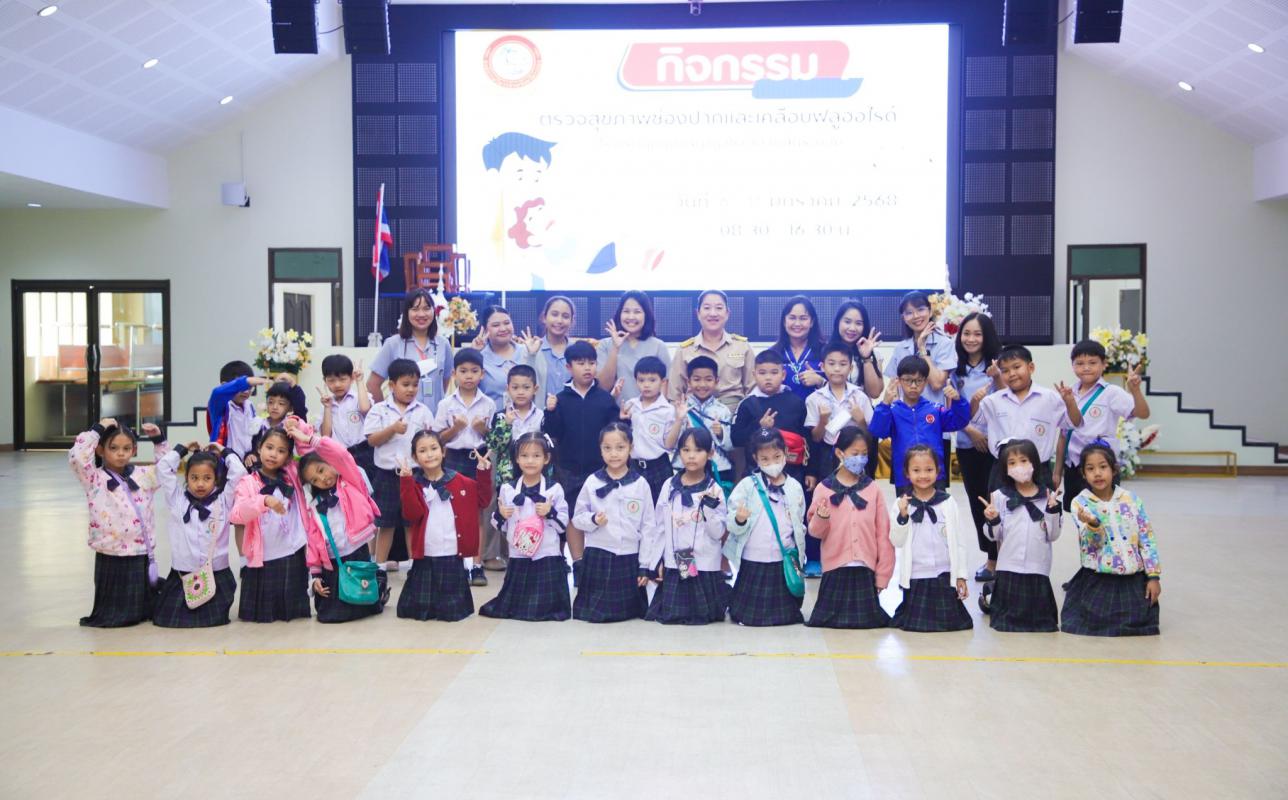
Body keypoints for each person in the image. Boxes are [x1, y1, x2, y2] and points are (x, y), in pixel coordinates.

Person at [68, 418, 167, 627]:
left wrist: (159, 441)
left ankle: (141, 611)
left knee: (141, 600)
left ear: (134, 450)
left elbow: (166, 470)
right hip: (110, 549)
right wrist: (98, 430)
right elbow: (77, 457)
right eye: (113, 448)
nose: (120, 453)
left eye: (126, 448)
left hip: (140, 549)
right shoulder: (93, 479)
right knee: (112, 601)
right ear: (100, 450)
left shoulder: (143, 475)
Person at [289, 422, 389, 623]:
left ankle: (377, 587)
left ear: (330, 462)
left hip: (357, 550)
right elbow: (314, 541)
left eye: (321, 470)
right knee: (330, 614)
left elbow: (341, 455)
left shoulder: (351, 480)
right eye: (315, 480)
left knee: (363, 601)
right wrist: (315, 575)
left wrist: (309, 439)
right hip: (333, 560)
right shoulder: (314, 506)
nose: (322, 479)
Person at [1060, 442, 1161, 636]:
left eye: (1103, 467)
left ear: (1113, 470)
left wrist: (1153, 577)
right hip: (1099, 578)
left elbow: (1147, 538)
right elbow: (1091, 543)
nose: (1097, 473)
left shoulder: (1131, 499)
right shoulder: (1080, 503)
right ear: (1083, 474)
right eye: (1090, 469)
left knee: (1140, 624)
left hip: (1132, 577)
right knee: (1091, 624)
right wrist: (1093, 524)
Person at [542, 340, 621, 581]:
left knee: (600, 514)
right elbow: (553, 433)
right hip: (568, 467)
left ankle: (597, 562)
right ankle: (577, 562)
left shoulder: (605, 399)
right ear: (568, 367)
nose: (587, 368)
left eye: (591, 363)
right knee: (573, 515)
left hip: (600, 468)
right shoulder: (560, 399)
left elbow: (614, 432)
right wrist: (550, 411)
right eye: (580, 363)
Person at [396, 431, 494, 622]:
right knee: (418, 610)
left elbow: (483, 500)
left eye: (434, 448)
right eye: (423, 451)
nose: (429, 454)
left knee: (452, 611)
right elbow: (411, 514)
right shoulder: (415, 483)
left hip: (451, 550)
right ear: (415, 457)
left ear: (443, 451)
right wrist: (406, 481)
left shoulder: (460, 481)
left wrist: (483, 472)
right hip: (426, 552)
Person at [805, 427, 892, 629]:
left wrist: (883, 575)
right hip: (835, 569)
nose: (860, 459)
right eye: (855, 453)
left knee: (867, 623)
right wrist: (821, 517)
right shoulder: (824, 488)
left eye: (864, 454)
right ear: (839, 453)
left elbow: (883, 534)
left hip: (865, 569)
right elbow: (815, 532)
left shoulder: (872, 489)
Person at [152, 440, 246, 628]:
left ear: (216, 479)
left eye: (207, 478)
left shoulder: (224, 500)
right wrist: (182, 449)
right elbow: (163, 468)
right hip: (183, 572)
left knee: (215, 621)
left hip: (216, 572)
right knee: (167, 620)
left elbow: (239, 472)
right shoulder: (176, 499)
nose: (200, 484)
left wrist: (224, 451)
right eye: (194, 478)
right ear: (186, 477)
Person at [480, 433, 572, 621]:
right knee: (515, 604)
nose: (530, 461)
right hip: (519, 552)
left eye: (536, 456)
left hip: (547, 553)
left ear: (546, 458)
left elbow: (563, 524)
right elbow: (498, 525)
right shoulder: (508, 489)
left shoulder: (554, 489)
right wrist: (501, 514)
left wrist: (550, 512)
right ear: (516, 458)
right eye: (524, 455)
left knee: (545, 608)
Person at [643, 427, 730, 625]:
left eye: (698, 450)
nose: (691, 456)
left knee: (702, 614)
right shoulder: (669, 485)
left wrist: (708, 509)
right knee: (674, 614)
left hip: (704, 560)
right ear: (679, 453)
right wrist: (656, 561)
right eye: (686, 450)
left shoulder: (714, 489)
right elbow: (660, 526)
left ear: (710, 454)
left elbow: (718, 533)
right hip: (676, 559)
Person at [570, 422, 654, 622]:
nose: (613, 454)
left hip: (629, 556)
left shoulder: (640, 484)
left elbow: (648, 526)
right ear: (600, 450)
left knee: (629, 612)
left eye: (620, 447)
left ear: (631, 448)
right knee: (595, 613)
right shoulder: (593, 481)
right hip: (598, 554)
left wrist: (644, 565)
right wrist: (593, 520)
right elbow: (577, 519)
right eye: (607, 448)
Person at [724, 428, 807, 627]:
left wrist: (799, 551)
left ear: (785, 453)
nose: (772, 463)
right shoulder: (747, 485)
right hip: (753, 554)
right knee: (748, 607)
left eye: (777, 457)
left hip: (782, 553)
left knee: (784, 607)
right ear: (756, 458)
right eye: (765, 459)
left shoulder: (794, 486)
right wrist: (740, 519)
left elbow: (799, 521)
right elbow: (731, 521)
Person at [229, 426, 311, 622]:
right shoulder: (248, 482)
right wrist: (263, 501)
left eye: (281, 451)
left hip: (292, 550)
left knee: (293, 615)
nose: (273, 454)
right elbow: (237, 515)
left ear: (288, 457)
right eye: (269, 447)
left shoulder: (292, 475)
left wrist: (297, 428)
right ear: (259, 448)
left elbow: (309, 452)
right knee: (261, 616)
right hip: (264, 554)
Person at [980, 438, 1063, 632]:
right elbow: (994, 536)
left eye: (1024, 460)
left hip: (1038, 566)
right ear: (1005, 468)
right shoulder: (999, 496)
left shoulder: (1048, 496)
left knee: (1040, 623)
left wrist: (1052, 511)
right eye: (1012, 463)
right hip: (1008, 565)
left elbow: (1053, 535)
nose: (1019, 466)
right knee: (1006, 622)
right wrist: (992, 519)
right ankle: (989, 598)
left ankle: (989, 598)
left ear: (1035, 463)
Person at [363, 358, 435, 576]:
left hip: (415, 474)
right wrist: (393, 429)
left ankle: (415, 567)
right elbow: (372, 440)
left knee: (412, 521)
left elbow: (430, 440)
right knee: (385, 523)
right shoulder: (379, 410)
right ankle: (379, 567)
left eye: (415, 385)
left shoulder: (423, 411)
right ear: (392, 385)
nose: (411, 389)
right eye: (405, 384)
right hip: (387, 475)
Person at [888, 445, 973, 632]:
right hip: (916, 573)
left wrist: (961, 575)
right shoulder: (902, 503)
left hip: (944, 572)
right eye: (916, 470)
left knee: (952, 624)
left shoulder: (948, 502)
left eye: (929, 469)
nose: (923, 475)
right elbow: (896, 541)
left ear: (938, 471)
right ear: (907, 473)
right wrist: (903, 516)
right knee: (915, 624)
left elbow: (959, 541)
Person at [977, 345, 1084, 490]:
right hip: (1003, 469)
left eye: (1016, 367)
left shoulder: (1050, 398)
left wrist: (1070, 402)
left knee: (1044, 505)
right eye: (1005, 371)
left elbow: (1075, 423)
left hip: (1039, 469)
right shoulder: (993, 400)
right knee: (999, 505)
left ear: (1031, 367)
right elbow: (974, 418)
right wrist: (974, 401)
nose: (1012, 374)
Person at [1062, 340, 1150, 511]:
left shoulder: (1111, 393)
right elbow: (1063, 433)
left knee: (1104, 512)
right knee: (1078, 513)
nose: (1086, 368)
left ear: (1104, 364)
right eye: (1080, 363)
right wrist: (1058, 471)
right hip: (1073, 466)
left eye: (1092, 362)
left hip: (1101, 467)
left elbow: (1143, 413)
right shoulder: (1069, 392)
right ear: (1072, 366)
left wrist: (1135, 390)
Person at [951, 312, 1004, 581]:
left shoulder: (998, 364)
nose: (971, 339)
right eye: (966, 333)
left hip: (997, 446)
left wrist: (998, 377)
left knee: (999, 501)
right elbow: (950, 407)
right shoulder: (953, 368)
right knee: (978, 502)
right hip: (967, 444)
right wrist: (970, 432)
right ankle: (991, 559)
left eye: (977, 334)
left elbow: (1009, 399)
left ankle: (1005, 558)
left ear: (987, 337)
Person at [868, 356, 970, 492]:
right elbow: (877, 431)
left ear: (926, 382)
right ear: (899, 381)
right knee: (906, 506)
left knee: (938, 505)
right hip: (905, 476)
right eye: (908, 380)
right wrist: (885, 403)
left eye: (918, 381)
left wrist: (958, 400)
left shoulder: (935, 409)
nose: (913, 385)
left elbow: (960, 422)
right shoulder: (892, 410)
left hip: (934, 475)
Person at [480, 364, 545, 571]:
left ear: (535, 389)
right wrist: (506, 424)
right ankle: (491, 555)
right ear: (508, 389)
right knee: (501, 509)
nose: (520, 392)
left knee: (527, 510)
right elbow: (494, 445)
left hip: (533, 471)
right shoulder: (501, 415)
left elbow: (547, 445)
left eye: (526, 387)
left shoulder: (541, 415)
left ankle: (523, 551)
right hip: (506, 472)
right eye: (515, 387)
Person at [732, 349, 810, 493]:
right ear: (754, 375)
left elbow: (807, 438)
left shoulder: (796, 402)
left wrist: (811, 472)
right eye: (762, 373)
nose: (768, 378)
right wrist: (759, 427)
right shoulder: (747, 404)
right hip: (756, 474)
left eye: (774, 373)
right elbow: (736, 439)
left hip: (792, 472)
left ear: (783, 375)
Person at [367, 289, 454, 415]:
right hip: (402, 422)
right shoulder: (393, 344)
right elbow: (372, 385)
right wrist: (386, 415)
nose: (421, 314)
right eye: (415, 309)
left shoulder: (443, 344)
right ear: (406, 312)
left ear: (433, 311)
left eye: (426, 308)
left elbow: (444, 383)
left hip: (435, 421)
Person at [668, 289, 755, 414]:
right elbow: (674, 395)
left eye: (719, 308)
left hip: (734, 415)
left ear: (727, 313)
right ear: (698, 313)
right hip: (695, 416)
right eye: (707, 308)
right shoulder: (685, 350)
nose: (713, 313)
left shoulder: (742, 346)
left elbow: (753, 390)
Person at [805, 341, 875, 479]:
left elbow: (870, 436)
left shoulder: (860, 397)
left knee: (857, 489)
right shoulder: (814, 399)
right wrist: (823, 420)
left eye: (843, 364)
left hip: (856, 454)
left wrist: (861, 420)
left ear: (851, 368)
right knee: (829, 489)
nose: (837, 369)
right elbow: (816, 438)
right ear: (822, 366)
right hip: (827, 455)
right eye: (831, 364)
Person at [671, 356, 734, 495]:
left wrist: (721, 433)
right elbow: (671, 444)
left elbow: (731, 446)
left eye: (708, 379)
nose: (702, 384)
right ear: (688, 381)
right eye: (697, 379)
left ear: (716, 381)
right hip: (685, 466)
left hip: (718, 468)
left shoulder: (722, 410)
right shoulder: (680, 408)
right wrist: (680, 422)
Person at [883, 291, 957, 407]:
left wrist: (922, 348)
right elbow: (895, 385)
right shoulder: (900, 348)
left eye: (921, 309)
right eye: (909, 313)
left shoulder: (945, 344)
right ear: (904, 318)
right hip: (905, 414)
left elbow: (937, 384)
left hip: (933, 413)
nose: (916, 316)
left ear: (930, 311)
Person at [619, 355, 678, 502]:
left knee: (661, 505)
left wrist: (679, 420)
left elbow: (669, 445)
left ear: (662, 382)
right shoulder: (630, 405)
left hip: (659, 466)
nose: (646, 385)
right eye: (641, 380)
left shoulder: (668, 410)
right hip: (633, 465)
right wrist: (623, 421)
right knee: (633, 505)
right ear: (636, 381)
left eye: (652, 380)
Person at [596, 290, 671, 404]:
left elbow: (666, 387)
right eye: (626, 311)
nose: (631, 317)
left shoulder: (659, 346)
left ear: (646, 315)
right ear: (619, 314)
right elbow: (602, 387)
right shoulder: (604, 345)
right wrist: (615, 348)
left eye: (637, 312)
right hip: (615, 412)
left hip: (651, 413)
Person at [519, 295, 577, 402]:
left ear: (571, 321)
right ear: (544, 317)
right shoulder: (532, 349)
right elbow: (522, 384)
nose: (559, 320)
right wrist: (531, 355)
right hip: (540, 411)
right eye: (554, 314)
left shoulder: (577, 350)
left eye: (565, 316)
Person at [768, 295, 826, 401]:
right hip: (782, 410)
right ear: (784, 321)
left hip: (818, 410)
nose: (797, 323)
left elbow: (840, 387)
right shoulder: (772, 353)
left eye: (803, 318)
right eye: (792, 318)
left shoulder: (825, 351)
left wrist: (820, 381)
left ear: (812, 322)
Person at [206, 361, 269, 457]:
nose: (246, 391)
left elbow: (252, 435)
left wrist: (252, 453)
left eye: (250, 387)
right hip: (225, 461)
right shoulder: (220, 406)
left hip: (246, 461)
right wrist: (246, 382)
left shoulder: (249, 406)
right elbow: (217, 393)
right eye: (242, 387)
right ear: (225, 386)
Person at [471, 305, 529, 408]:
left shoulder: (527, 352)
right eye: (496, 325)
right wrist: (473, 354)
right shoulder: (480, 357)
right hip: (490, 416)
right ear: (485, 330)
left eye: (507, 323)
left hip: (527, 417)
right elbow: (463, 386)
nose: (503, 329)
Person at [827, 300, 885, 398]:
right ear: (838, 322)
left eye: (858, 323)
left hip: (861, 407)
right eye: (847, 322)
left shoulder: (874, 354)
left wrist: (866, 358)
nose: (852, 328)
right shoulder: (826, 351)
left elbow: (874, 393)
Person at [317, 353, 372, 455]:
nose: (337, 385)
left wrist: (360, 381)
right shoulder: (326, 405)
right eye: (331, 381)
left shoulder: (359, 397)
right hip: (340, 454)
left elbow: (365, 408)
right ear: (325, 381)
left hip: (364, 451)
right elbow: (326, 436)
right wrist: (327, 408)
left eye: (342, 379)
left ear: (352, 378)